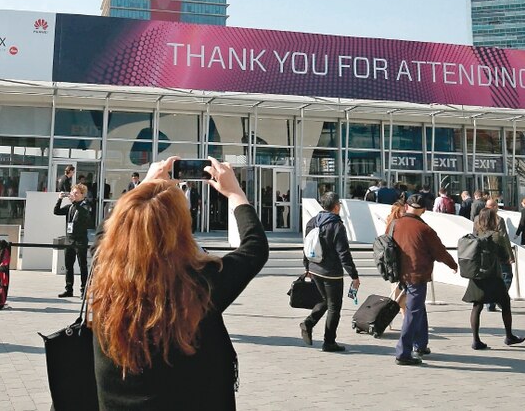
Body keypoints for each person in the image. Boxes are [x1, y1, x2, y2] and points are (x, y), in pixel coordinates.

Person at [91, 156, 268, 409]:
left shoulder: (105, 271)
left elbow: (105, 233)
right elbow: (255, 248)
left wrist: (145, 187)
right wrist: (235, 193)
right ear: (180, 229)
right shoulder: (200, 282)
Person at [393, 195, 459, 366]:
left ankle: (420, 345)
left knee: (418, 308)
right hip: (417, 275)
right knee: (413, 313)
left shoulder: (395, 224)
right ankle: (403, 352)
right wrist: (453, 264)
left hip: (400, 274)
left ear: (407, 206)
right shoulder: (424, 229)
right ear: (424, 210)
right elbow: (440, 251)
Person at [300, 192, 360, 352]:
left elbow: (306, 246)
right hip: (331, 272)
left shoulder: (313, 222)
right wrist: (354, 275)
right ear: (336, 206)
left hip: (314, 267)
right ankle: (329, 341)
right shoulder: (336, 225)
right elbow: (344, 253)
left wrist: (307, 267)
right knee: (334, 306)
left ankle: (308, 323)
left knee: (326, 300)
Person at [463, 208, 525, 350]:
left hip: (477, 277)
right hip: (493, 276)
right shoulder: (496, 236)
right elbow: (504, 257)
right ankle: (509, 336)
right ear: (492, 220)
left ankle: (475, 340)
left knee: (477, 307)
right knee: (505, 303)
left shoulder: (473, 237)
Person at [54, 183, 92, 298]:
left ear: (82, 195)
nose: (73, 195)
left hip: (80, 241)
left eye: (76, 193)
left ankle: (83, 291)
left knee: (82, 266)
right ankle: (68, 289)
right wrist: (59, 199)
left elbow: (84, 216)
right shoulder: (70, 207)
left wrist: (75, 203)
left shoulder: (85, 206)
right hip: (69, 239)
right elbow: (56, 211)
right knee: (68, 265)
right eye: (72, 192)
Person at [484, 199, 514, 312]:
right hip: (498, 253)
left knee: (489, 279)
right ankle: (498, 297)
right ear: (494, 207)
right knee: (507, 276)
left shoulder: (478, 219)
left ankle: (490, 304)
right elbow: (503, 237)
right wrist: (510, 255)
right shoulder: (498, 219)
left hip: (485, 254)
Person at [386, 201, 408, 312]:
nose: (405, 213)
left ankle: (397, 318)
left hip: (393, 263)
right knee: (401, 294)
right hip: (399, 262)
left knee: (398, 293)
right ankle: (404, 318)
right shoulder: (397, 224)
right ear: (398, 212)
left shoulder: (390, 223)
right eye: (403, 211)